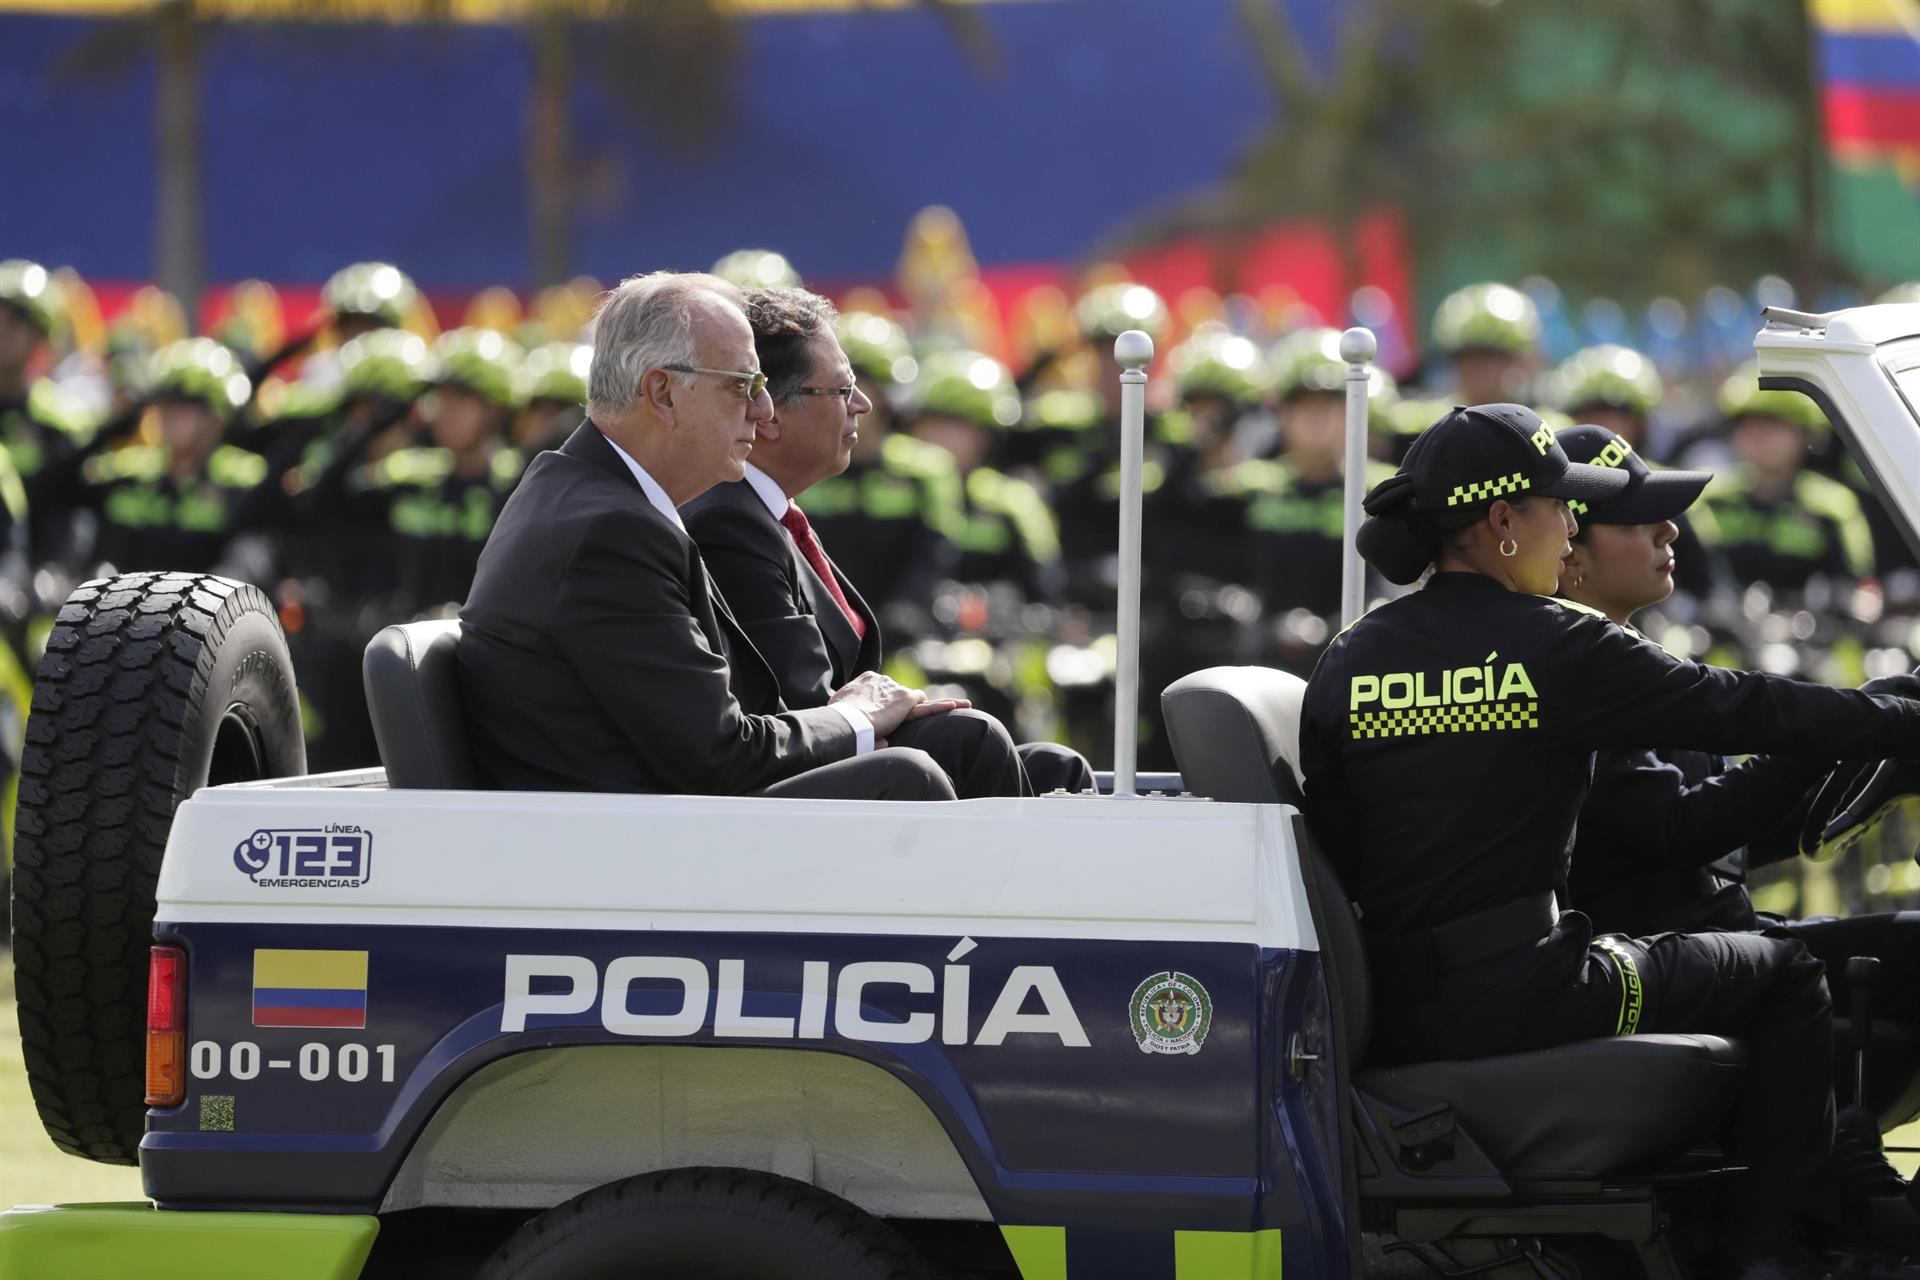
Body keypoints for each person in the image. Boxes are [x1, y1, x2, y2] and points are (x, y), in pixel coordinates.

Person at [1300, 403, 1920, 1274]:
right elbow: (1746, 704)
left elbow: (1345, 849)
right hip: (1534, 989)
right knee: (1782, 974)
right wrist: (1895, 714)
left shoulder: (1349, 658)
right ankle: (1773, 1254)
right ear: (1504, 521)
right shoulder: (1556, 645)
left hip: (1401, 1006)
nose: (1570, 528)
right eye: (1561, 507)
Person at [459, 271, 960, 801]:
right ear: (663, 393)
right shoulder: (612, 533)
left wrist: (848, 720)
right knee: (909, 778)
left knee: (956, 745)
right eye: (742, 386)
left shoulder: (587, 496)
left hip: (634, 830)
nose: (763, 412)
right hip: (623, 856)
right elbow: (722, 756)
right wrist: (851, 717)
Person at [1556, 422, 1920, 1117]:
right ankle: (1801, 1217)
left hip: (1716, 939)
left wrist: (1871, 765)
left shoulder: (1623, 655)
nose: (1670, 530)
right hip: (1663, 967)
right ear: (1568, 547)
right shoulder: (1575, 670)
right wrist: (1849, 733)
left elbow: (1721, 838)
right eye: (1639, 517)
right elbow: (1680, 830)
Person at [684, 286, 1092, 798]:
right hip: (777, 781)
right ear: (770, 412)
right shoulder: (728, 522)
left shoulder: (767, 514)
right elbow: (801, 704)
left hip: (829, 740)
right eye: (840, 389)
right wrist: (884, 710)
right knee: (971, 738)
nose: (864, 404)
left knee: (1057, 766)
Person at [1690, 363, 1873, 596]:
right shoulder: (1709, 498)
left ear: (1806, 433)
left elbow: (1856, 587)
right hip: (1715, 629)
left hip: (1811, 630)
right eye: (1747, 425)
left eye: (1772, 424)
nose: (1757, 436)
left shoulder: (1832, 506)